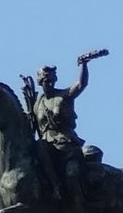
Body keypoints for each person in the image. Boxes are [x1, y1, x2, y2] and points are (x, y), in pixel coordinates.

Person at [23, 49, 110, 202]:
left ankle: (80, 206)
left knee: (72, 175)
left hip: (67, 146)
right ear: (40, 82)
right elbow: (32, 126)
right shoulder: (38, 103)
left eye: (51, 79)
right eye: (45, 80)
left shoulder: (64, 95)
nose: (49, 83)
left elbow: (81, 84)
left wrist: (83, 64)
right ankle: (53, 189)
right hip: (47, 147)